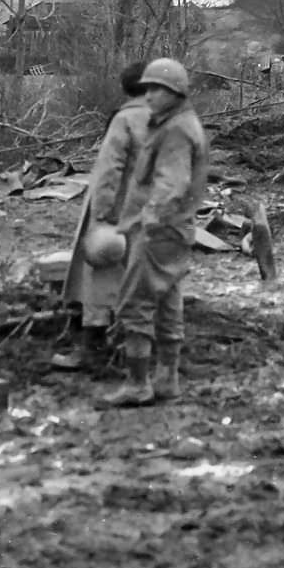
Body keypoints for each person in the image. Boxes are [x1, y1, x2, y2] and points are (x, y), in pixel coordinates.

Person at [102, 58, 209, 408]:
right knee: (168, 302)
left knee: (136, 304)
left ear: (174, 92)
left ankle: (137, 383)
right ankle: (167, 379)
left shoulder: (176, 129)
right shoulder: (179, 122)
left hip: (159, 231)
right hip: (177, 231)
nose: (148, 96)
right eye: (146, 89)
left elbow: (171, 185)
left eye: (155, 90)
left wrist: (148, 220)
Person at [51, 62, 150, 371]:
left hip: (117, 212)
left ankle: (92, 350)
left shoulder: (124, 120)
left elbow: (109, 172)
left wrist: (102, 217)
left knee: (97, 280)